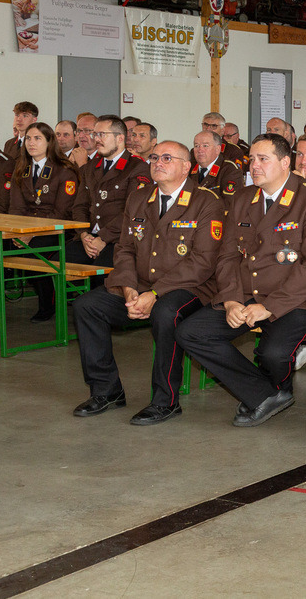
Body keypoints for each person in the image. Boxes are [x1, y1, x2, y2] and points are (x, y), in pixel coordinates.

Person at [176, 133, 306, 427]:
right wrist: (231, 299)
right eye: (251, 159)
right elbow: (226, 255)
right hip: (247, 292)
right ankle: (265, 395)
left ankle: (269, 393)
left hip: (299, 298)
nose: (254, 166)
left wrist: (269, 307)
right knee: (191, 332)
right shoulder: (243, 198)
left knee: (273, 353)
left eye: (263, 159)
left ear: (286, 162)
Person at [73, 141, 225, 424]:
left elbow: (202, 262)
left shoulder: (206, 202)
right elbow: (126, 248)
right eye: (155, 157)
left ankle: (165, 400)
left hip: (189, 288)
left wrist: (154, 293)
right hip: (140, 285)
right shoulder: (139, 198)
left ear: (186, 167)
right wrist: (130, 289)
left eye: (168, 158)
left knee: (167, 313)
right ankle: (107, 390)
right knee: (87, 305)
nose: (158, 162)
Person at [8, 122, 86, 322]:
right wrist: (17, 232)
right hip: (24, 230)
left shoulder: (64, 170)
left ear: (50, 142)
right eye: (28, 138)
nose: (31, 143)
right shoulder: (22, 168)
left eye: (37, 138)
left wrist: (31, 233)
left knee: (35, 254)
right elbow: (16, 208)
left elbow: (62, 212)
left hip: (57, 230)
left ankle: (48, 304)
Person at [68, 115, 152, 272]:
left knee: (99, 274)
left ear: (120, 138)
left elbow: (132, 211)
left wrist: (103, 238)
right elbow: (80, 206)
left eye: (102, 134)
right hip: (89, 237)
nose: (96, 139)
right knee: (54, 266)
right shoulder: (91, 167)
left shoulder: (137, 167)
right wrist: (84, 235)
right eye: (95, 134)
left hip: (118, 239)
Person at [191, 131, 244, 204]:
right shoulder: (188, 168)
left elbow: (229, 203)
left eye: (205, 146)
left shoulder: (230, 170)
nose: (200, 150)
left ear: (217, 149)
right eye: (196, 146)